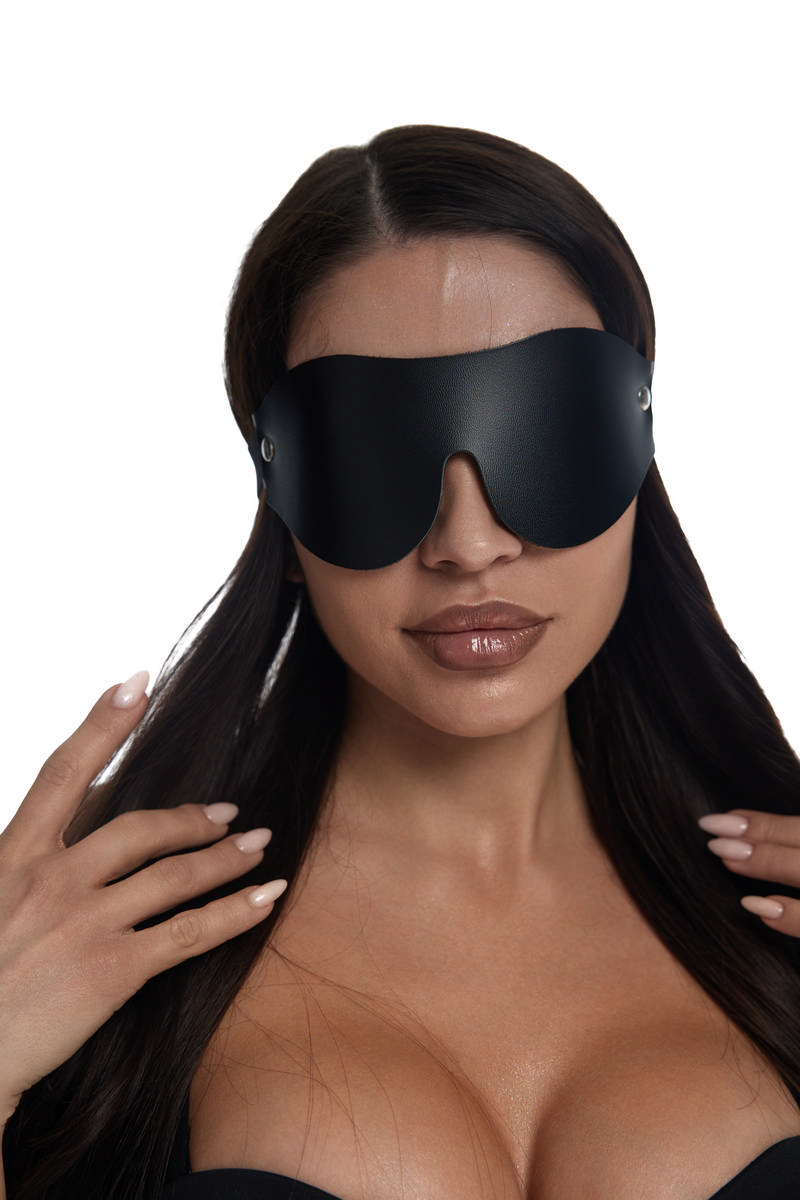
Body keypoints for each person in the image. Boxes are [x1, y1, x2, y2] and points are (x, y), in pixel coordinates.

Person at [2, 125, 800, 1200]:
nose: (468, 544)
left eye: (541, 431)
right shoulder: (88, 930)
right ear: (280, 503)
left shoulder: (778, 901)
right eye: (375, 453)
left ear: (636, 447)